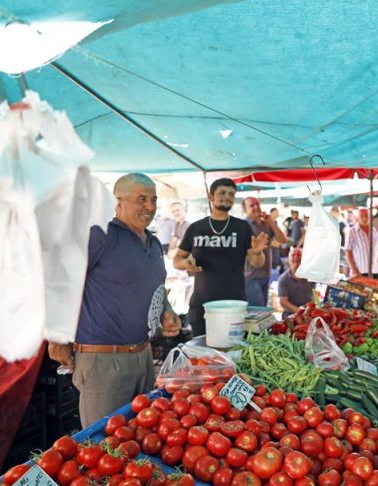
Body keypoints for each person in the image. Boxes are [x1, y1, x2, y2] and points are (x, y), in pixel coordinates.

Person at [48, 173, 182, 427]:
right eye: (141, 199)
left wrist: (168, 310)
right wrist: (56, 337)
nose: (150, 207)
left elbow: (157, 287)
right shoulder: (101, 234)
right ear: (118, 202)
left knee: (139, 436)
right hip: (103, 360)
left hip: (143, 356)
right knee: (103, 443)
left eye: (153, 200)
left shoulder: (153, 244)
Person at [173, 178, 269, 336]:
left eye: (231, 194)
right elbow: (177, 259)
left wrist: (257, 252)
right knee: (203, 353)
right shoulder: (196, 227)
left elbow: (257, 262)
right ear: (211, 197)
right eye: (222, 192)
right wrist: (185, 263)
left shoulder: (242, 227)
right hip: (202, 304)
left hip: (234, 303)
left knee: (233, 352)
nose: (227, 197)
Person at [243, 197, 288, 307]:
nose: (256, 207)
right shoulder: (243, 225)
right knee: (258, 310)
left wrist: (270, 221)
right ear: (245, 210)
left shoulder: (266, 224)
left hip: (265, 274)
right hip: (250, 276)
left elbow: (283, 240)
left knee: (262, 309)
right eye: (251, 205)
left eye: (257, 204)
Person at [345, 208, 378, 279]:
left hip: (374, 271)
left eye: (366, 216)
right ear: (358, 218)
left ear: (370, 217)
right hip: (359, 271)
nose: (364, 218)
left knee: (375, 289)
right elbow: (348, 252)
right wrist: (354, 269)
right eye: (362, 216)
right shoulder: (352, 232)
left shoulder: (374, 231)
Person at [277, 248, 316, 315]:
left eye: (299, 255)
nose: (296, 257)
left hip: (309, 312)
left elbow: (316, 294)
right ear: (289, 260)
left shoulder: (311, 275)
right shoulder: (283, 279)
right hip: (290, 314)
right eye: (293, 255)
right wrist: (300, 311)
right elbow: (283, 302)